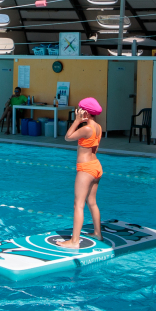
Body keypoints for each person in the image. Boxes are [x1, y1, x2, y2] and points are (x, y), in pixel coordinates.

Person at [58, 97, 105, 249]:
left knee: (78, 204)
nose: (78, 112)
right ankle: (98, 233)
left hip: (86, 169)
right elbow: (94, 148)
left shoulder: (86, 128)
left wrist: (77, 121)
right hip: (96, 166)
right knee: (92, 202)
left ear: (85, 112)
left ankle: (74, 241)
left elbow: (67, 137)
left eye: (80, 110)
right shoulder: (98, 127)